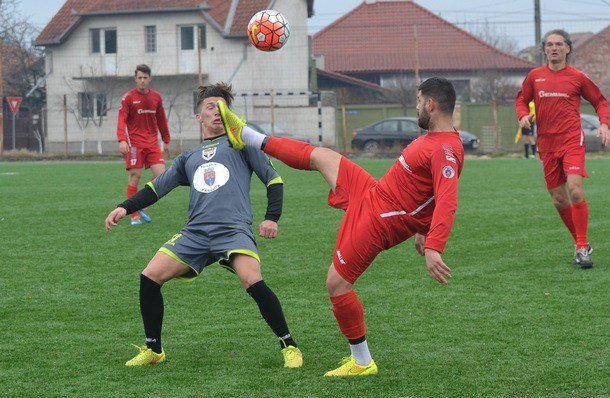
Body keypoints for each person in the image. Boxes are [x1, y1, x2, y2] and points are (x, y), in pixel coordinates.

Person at [219, 77, 463, 377]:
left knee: (337, 284)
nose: (416, 107)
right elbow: (428, 193)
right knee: (323, 156)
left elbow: (447, 199)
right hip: (375, 194)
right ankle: (244, 135)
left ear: (431, 105)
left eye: (418, 101)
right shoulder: (438, 140)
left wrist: (434, 245)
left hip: (380, 219)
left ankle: (362, 361)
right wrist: (423, 229)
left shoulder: (445, 150)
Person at [105, 83, 303, 368]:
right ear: (199, 117)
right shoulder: (189, 157)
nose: (217, 112)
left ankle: (290, 346)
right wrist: (124, 207)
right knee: (150, 276)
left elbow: (274, 181)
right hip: (195, 233)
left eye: (222, 107)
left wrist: (272, 217)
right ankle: (154, 350)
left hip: (232, 230)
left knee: (252, 279)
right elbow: (155, 187)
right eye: (210, 106)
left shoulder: (243, 144)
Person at [515, 29, 609, 269]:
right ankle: (581, 244)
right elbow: (521, 100)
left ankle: (581, 246)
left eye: (559, 44)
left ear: (568, 48)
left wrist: (605, 124)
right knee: (559, 199)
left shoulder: (577, 77)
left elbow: (599, 101)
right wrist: (523, 115)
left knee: (575, 191)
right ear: (544, 49)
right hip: (546, 144)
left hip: (571, 141)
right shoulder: (535, 76)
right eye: (549, 44)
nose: (554, 48)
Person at [117, 64, 171, 225]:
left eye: (145, 78)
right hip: (134, 144)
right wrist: (122, 139)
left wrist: (166, 140)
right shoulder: (128, 98)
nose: (142, 81)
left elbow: (161, 119)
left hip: (153, 143)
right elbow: (121, 120)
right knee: (135, 176)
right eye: (139, 78)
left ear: (150, 79)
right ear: (135, 79)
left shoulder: (156, 97)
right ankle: (133, 215)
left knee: (162, 176)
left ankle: (142, 203)